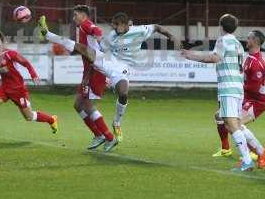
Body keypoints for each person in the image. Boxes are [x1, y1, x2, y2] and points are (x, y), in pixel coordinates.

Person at [37, 13, 178, 150]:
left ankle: (117, 123)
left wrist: (172, 37)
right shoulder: (112, 36)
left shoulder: (140, 30)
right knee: (82, 48)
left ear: (124, 24)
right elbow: (99, 50)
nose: (114, 28)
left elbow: (158, 27)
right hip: (109, 62)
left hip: (123, 67)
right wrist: (92, 61)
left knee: (123, 93)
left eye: (116, 25)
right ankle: (48, 34)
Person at [182, 14, 265, 172]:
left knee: (232, 125)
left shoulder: (222, 40)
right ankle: (260, 152)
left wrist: (191, 56)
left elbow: (214, 58)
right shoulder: (238, 44)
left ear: (220, 26)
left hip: (228, 88)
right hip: (237, 88)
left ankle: (247, 160)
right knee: (230, 122)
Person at [0, 31, 58, 141]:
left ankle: (51, 120)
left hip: (18, 89)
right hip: (4, 88)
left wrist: (34, 75)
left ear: (2, 43)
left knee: (29, 117)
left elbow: (26, 63)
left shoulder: (10, 54)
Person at [212, 30, 265, 169]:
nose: (247, 39)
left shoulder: (257, 62)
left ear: (255, 41)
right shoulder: (249, 58)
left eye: (249, 37)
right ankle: (255, 152)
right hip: (246, 99)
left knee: (235, 124)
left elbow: (254, 87)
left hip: (257, 102)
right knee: (222, 117)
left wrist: (235, 87)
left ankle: (259, 153)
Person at [72, 5, 115, 150]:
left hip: (93, 70)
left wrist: (101, 41)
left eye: (76, 15)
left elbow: (97, 30)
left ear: (83, 15)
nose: (74, 18)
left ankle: (109, 137)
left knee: (88, 106)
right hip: (88, 71)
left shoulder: (85, 25)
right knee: (78, 104)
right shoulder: (82, 28)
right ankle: (98, 135)